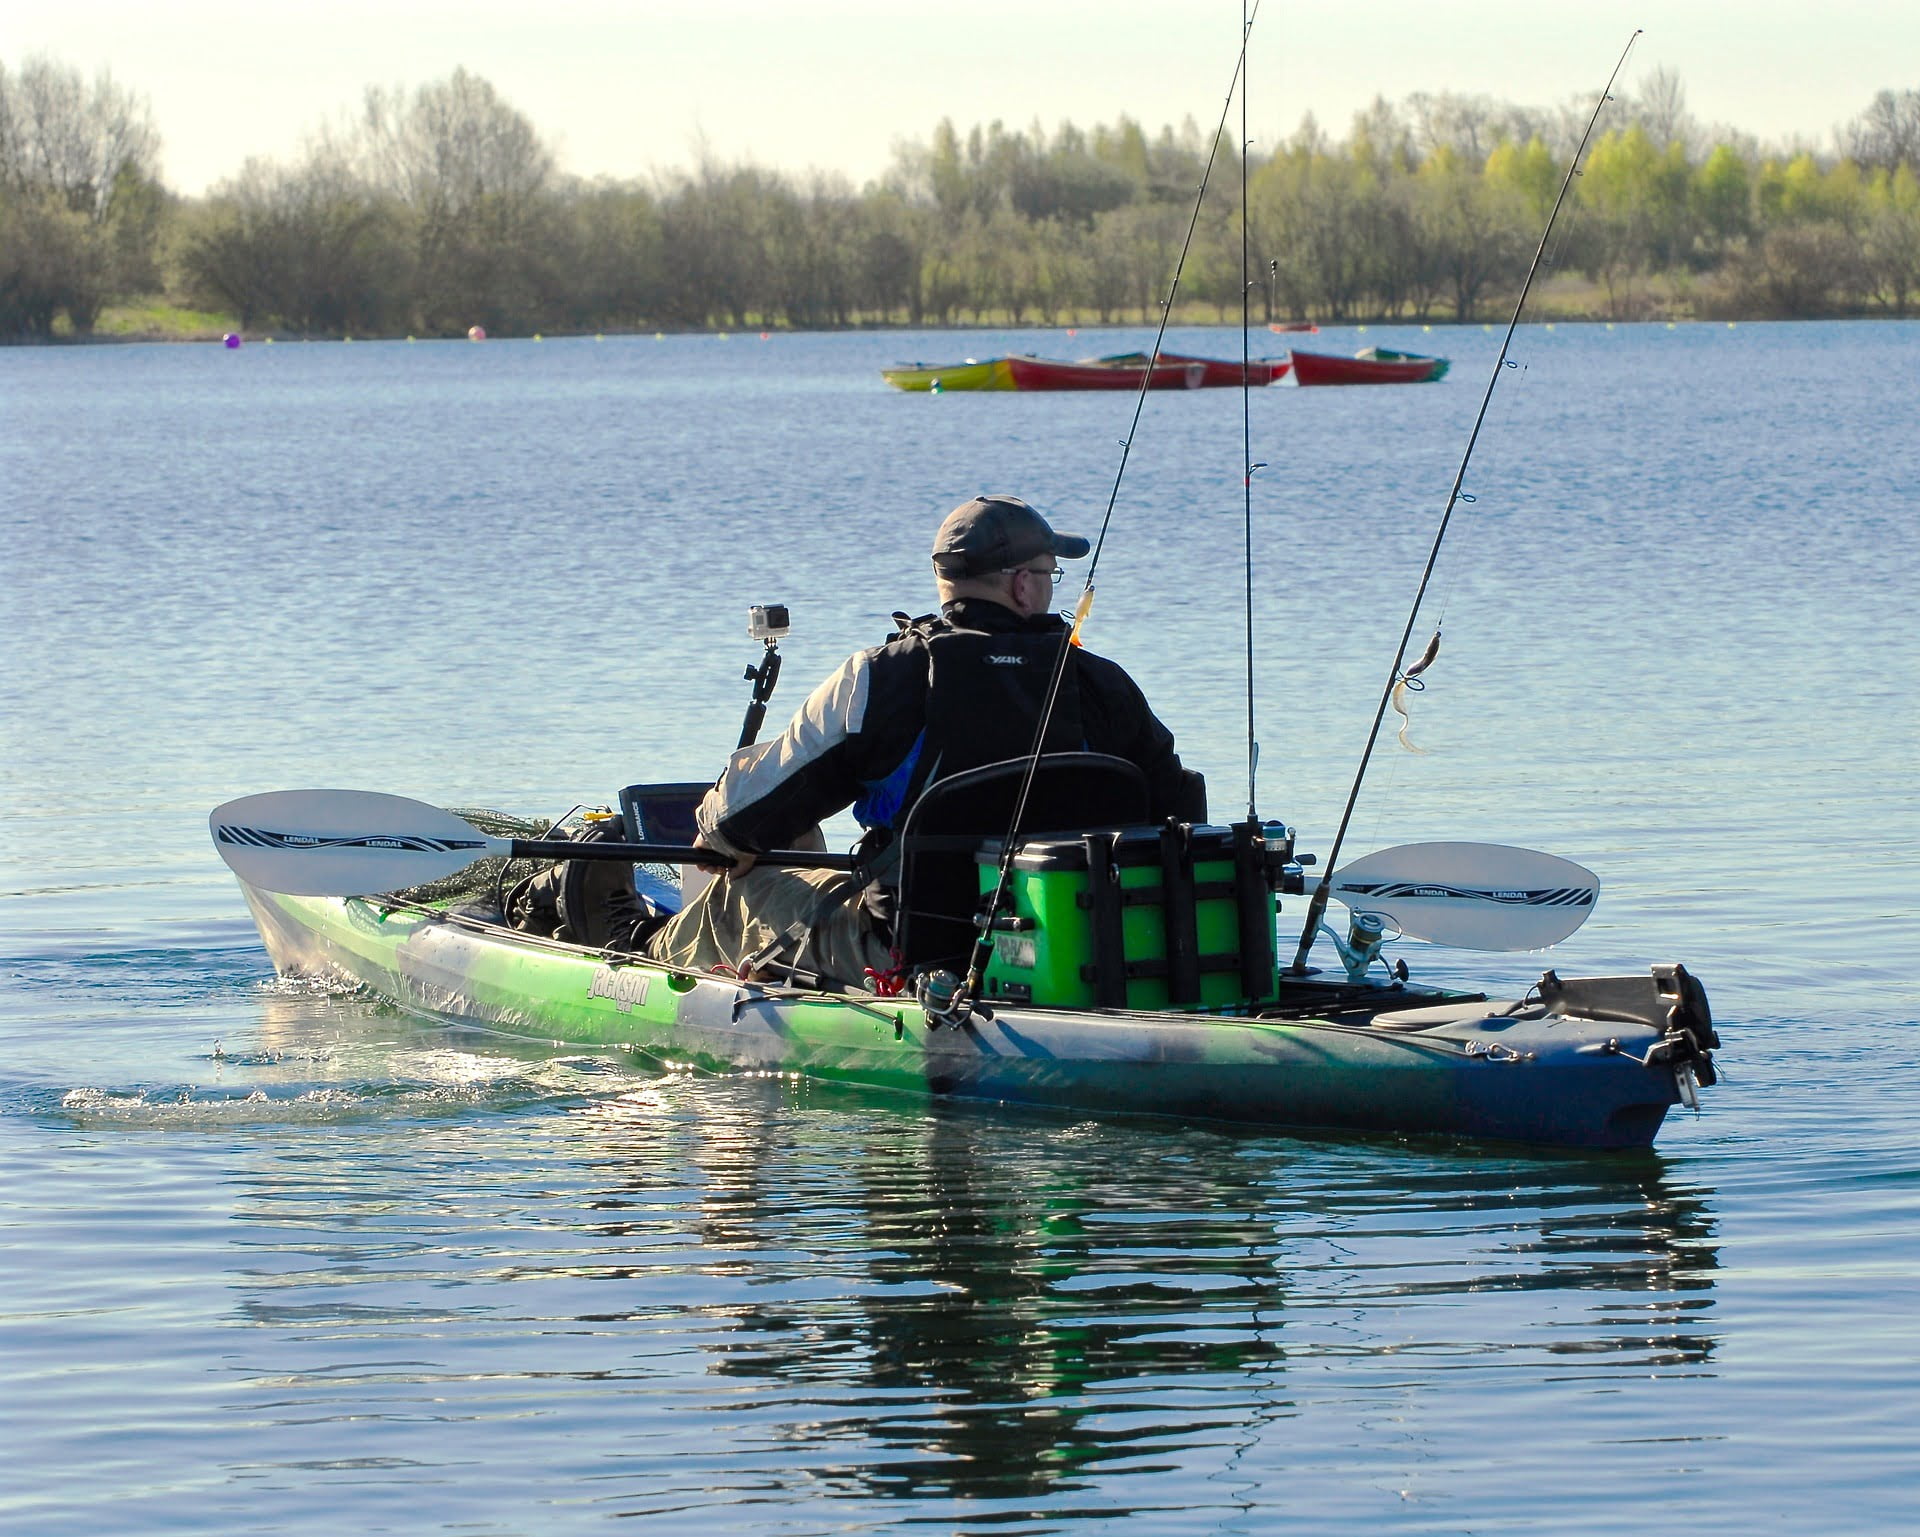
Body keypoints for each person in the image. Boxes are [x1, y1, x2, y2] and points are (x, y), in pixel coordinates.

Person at [644, 494, 1206, 985]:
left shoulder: (882, 677)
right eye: (1050, 573)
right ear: (1020, 585)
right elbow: (1179, 812)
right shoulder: (1104, 682)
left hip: (914, 953)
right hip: (1088, 945)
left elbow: (744, 819)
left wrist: (718, 833)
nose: (1050, 586)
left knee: (739, 890)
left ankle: (633, 956)